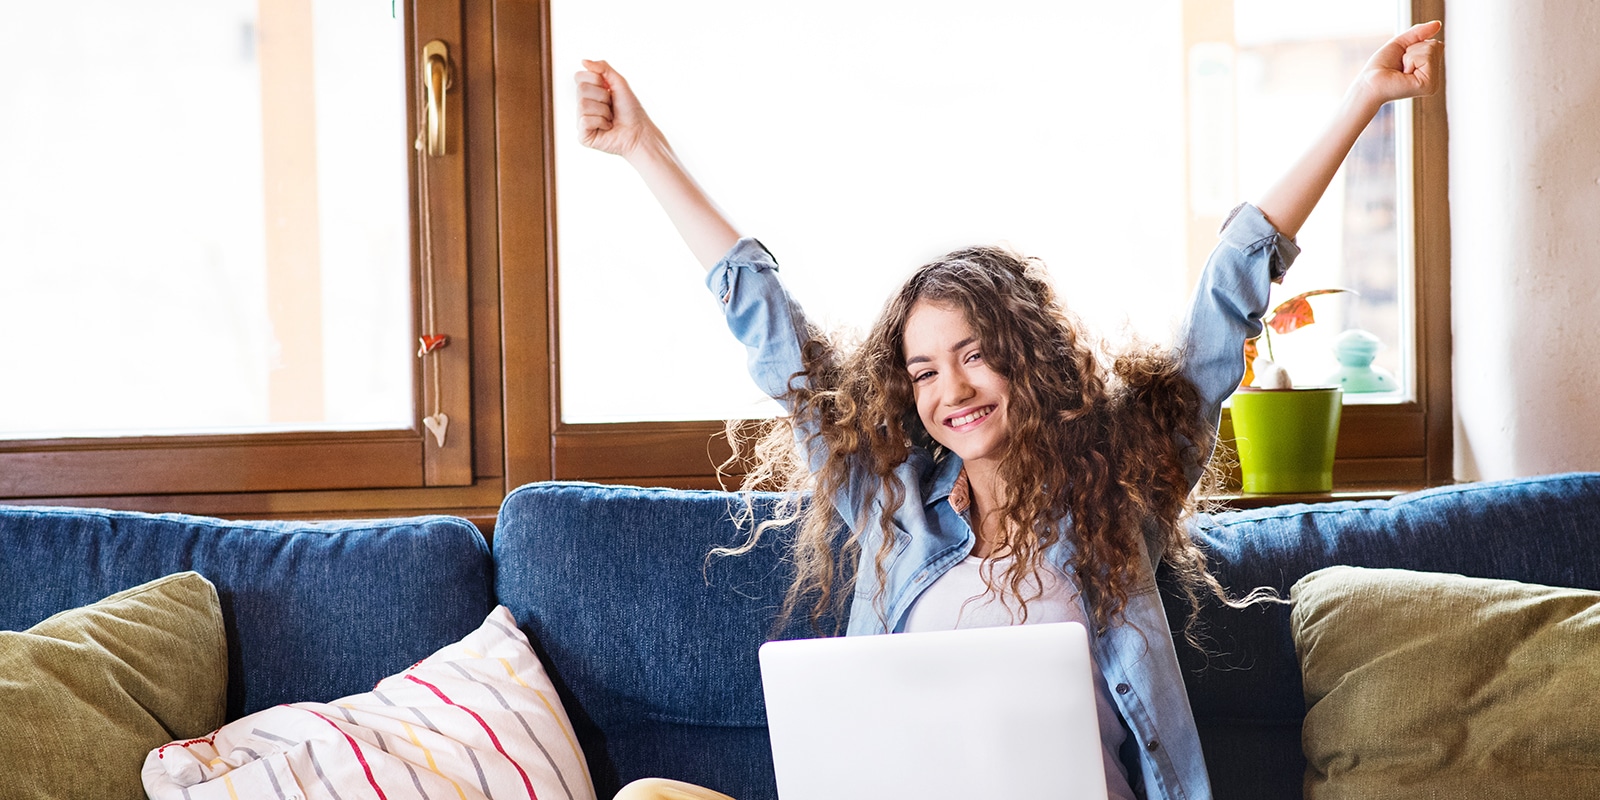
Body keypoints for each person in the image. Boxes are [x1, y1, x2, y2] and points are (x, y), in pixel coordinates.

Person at [577, 21, 1442, 800]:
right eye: (922, 371)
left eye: (973, 355)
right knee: (649, 797)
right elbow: (771, 328)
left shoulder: (1122, 489)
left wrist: (1362, 99)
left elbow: (1229, 294)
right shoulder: (892, 507)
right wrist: (641, 142)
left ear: (1029, 357)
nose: (950, 390)